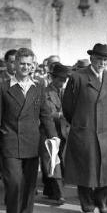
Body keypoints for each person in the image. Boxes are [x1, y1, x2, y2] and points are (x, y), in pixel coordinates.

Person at [0, 48, 58, 213]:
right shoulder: (3, 88)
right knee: (14, 184)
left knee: (29, 185)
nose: (25, 67)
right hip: (9, 142)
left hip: (31, 143)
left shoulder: (38, 88)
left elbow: (46, 115)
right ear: (15, 65)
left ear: (33, 66)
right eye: (22, 64)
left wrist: (53, 137)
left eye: (29, 64)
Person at [62, 43, 107, 213]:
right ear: (91, 59)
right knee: (86, 169)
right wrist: (80, 122)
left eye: (105, 60)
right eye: (98, 59)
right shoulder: (78, 77)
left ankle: (101, 199)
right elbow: (68, 106)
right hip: (85, 130)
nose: (102, 63)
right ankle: (87, 204)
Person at [40, 62, 71, 204]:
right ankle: (59, 193)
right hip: (48, 131)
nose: (62, 82)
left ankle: (49, 190)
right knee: (53, 161)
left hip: (62, 131)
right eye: (59, 79)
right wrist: (59, 114)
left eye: (64, 80)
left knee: (57, 160)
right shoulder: (45, 93)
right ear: (53, 78)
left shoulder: (65, 92)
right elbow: (45, 112)